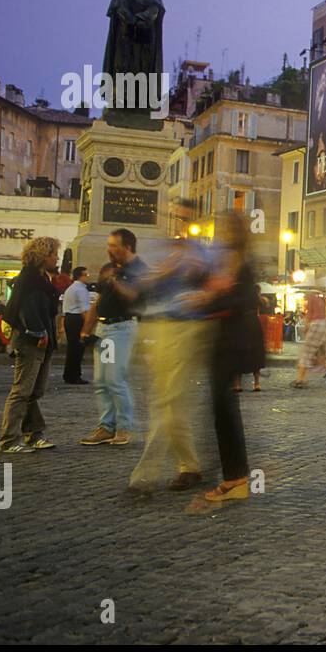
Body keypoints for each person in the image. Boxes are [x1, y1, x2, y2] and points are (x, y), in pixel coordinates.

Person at [130, 201, 215, 491]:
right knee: (169, 401)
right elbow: (140, 286)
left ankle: (145, 475)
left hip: (185, 328)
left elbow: (212, 288)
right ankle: (189, 466)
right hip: (155, 327)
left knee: (166, 400)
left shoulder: (202, 252)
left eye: (184, 218)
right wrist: (162, 273)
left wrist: (197, 274)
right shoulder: (157, 248)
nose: (178, 223)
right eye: (174, 216)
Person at [192, 211, 263, 502]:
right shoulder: (229, 260)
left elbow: (246, 299)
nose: (220, 231)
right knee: (222, 408)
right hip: (224, 338)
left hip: (233, 341)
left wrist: (211, 298)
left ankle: (237, 477)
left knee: (224, 409)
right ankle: (235, 475)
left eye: (224, 227)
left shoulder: (241, 262)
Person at [80, 229, 148, 447]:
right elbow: (98, 301)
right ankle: (106, 426)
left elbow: (135, 297)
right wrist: (86, 329)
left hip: (122, 327)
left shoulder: (140, 269)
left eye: (113, 246)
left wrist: (116, 281)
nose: (109, 250)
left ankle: (124, 427)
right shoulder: (108, 268)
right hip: (104, 329)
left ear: (127, 247)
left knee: (116, 379)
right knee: (102, 380)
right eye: (108, 245)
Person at [0, 237, 61, 453]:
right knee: (22, 390)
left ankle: (33, 434)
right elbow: (27, 308)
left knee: (34, 390)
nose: (57, 258)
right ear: (44, 255)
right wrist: (38, 331)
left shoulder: (42, 278)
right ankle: (9, 439)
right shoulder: (30, 279)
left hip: (43, 340)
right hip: (31, 341)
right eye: (54, 254)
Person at [292, 293, 326, 389]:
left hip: (316, 324)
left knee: (307, 352)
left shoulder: (312, 296)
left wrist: (306, 326)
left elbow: (310, 313)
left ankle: (300, 379)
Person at [60, 267, 92, 384]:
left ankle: (69, 375)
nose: (88, 276)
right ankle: (74, 376)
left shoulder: (70, 288)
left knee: (72, 349)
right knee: (78, 349)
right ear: (80, 276)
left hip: (70, 318)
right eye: (86, 274)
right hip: (76, 319)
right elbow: (85, 310)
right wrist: (88, 326)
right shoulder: (81, 290)